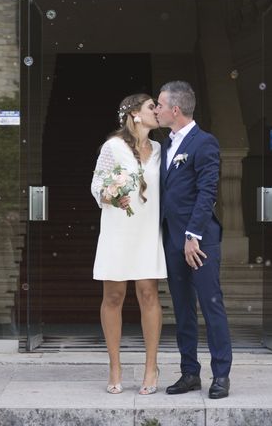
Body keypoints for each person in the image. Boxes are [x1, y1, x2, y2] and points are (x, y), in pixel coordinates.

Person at [154, 80, 232, 399]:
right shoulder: (166, 146)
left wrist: (192, 235)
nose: (155, 110)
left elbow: (207, 192)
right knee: (183, 310)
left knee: (211, 305)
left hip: (199, 242)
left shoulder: (205, 143)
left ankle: (221, 375)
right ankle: (190, 373)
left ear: (175, 109)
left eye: (159, 105)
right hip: (172, 240)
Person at [91, 93, 167, 395]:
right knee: (113, 295)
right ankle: (115, 366)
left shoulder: (162, 149)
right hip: (118, 228)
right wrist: (109, 195)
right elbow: (97, 184)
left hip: (148, 230)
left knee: (148, 293)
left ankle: (151, 366)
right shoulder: (113, 146)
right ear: (135, 114)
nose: (157, 111)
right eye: (152, 107)